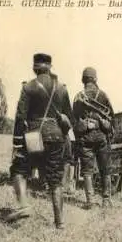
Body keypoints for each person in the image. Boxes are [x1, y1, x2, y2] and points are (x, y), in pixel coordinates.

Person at [8, 53, 74, 229]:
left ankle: (24, 206)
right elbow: (70, 118)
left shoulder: (28, 87)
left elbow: (20, 116)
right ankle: (59, 223)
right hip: (56, 136)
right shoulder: (62, 88)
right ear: (50, 67)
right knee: (55, 179)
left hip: (34, 136)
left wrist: (16, 143)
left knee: (18, 169)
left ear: (35, 67)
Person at [73, 67, 115, 209]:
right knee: (105, 169)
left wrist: (84, 126)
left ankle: (90, 201)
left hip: (85, 138)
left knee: (87, 171)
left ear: (83, 80)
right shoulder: (103, 95)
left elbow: (74, 121)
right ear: (95, 79)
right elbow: (112, 118)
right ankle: (106, 200)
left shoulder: (78, 96)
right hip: (102, 137)